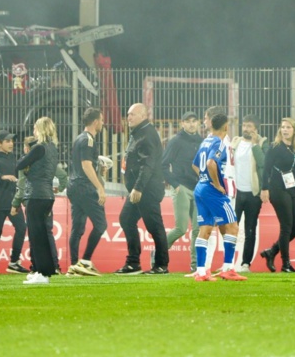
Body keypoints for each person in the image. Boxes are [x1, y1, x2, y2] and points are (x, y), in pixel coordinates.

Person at [192, 113, 247, 282]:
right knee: (233, 228)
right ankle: (228, 269)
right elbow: (210, 163)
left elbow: (195, 165)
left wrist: (204, 178)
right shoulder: (220, 142)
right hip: (212, 191)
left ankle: (201, 272)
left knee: (205, 229)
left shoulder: (205, 141)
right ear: (225, 126)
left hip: (200, 188)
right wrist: (216, 183)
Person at [115, 103, 169, 275]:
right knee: (126, 219)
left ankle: (161, 265)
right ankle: (133, 263)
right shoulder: (139, 132)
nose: (128, 117)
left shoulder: (147, 134)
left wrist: (138, 187)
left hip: (146, 189)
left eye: (133, 114)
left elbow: (148, 164)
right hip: (139, 189)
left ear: (143, 116)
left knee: (154, 226)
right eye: (128, 114)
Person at [260, 117, 295, 273]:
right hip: (277, 189)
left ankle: (271, 252)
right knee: (286, 226)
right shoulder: (275, 147)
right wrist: (264, 188)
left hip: (292, 189)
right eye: (282, 127)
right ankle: (286, 264)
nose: (284, 130)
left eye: (288, 127)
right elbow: (266, 169)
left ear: (294, 130)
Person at [11, 136, 66, 275]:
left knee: (35, 234)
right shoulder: (48, 159)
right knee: (48, 232)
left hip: (33, 198)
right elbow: (63, 175)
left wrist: (16, 203)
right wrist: (59, 188)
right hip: (47, 197)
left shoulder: (27, 162)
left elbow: (21, 186)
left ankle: (36, 268)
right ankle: (54, 265)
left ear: (26, 148)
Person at [15, 117, 59, 284]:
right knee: (42, 235)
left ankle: (41, 272)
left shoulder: (39, 148)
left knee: (36, 235)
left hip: (36, 195)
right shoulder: (53, 148)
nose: (33, 132)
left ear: (40, 129)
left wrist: (26, 164)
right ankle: (44, 271)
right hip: (48, 195)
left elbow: (20, 164)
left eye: (35, 128)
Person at [66, 108, 108, 277]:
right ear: (96, 121)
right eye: (102, 120)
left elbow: (81, 164)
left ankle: (74, 266)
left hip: (74, 187)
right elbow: (86, 165)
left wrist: (98, 169)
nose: (103, 123)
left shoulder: (78, 139)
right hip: (84, 188)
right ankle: (85, 261)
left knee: (77, 228)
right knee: (101, 224)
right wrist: (100, 187)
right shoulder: (88, 140)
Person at [0, 130, 29, 275]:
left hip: (13, 201)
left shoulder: (13, 157)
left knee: (21, 227)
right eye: (7, 141)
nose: (11, 143)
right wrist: (3, 177)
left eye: (12, 141)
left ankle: (14, 262)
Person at [161, 111, 202, 273]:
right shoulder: (176, 141)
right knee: (181, 229)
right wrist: (175, 184)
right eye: (188, 121)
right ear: (182, 124)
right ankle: (158, 254)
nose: (191, 124)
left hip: (199, 189)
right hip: (182, 188)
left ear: (198, 123)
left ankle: (195, 266)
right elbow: (163, 165)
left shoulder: (202, 141)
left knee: (198, 230)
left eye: (194, 121)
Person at [230, 114, 269, 273]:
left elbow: (264, 164)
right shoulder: (236, 142)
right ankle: (229, 262)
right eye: (244, 125)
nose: (246, 129)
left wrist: (255, 145)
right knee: (231, 228)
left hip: (253, 193)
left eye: (249, 126)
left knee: (250, 229)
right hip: (237, 193)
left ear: (256, 129)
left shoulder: (262, 143)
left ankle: (245, 264)